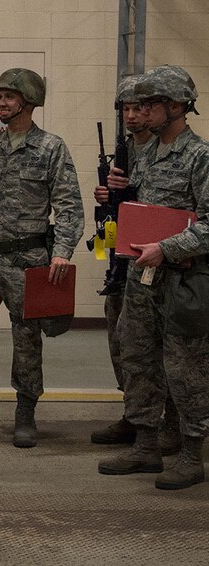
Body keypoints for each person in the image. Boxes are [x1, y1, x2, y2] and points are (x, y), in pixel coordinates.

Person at [0, 68, 84, 447]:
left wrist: (62, 252)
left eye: (9, 97)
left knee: (27, 339)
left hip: (29, 257)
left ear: (28, 102)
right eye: (0, 96)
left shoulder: (51, 148)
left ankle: (25, 410)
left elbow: (69, 205)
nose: (1, 103)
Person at [98, 65, 209, 491]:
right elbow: (143, 211)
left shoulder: (200, 157)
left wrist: (167, 247)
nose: (141, 112)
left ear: (176, 106)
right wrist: (116, 195)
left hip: (182, 279)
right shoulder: (146, 154)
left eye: (150, 104)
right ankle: (146, 443)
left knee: (186, 367)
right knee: (138, 355)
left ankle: (191, 453)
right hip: (142, 277)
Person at [89, 76, 179, 455]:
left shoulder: (173, 152)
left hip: (162, 264)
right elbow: (118, 213)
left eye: (139, 107)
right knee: (124, 342)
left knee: (163, 349)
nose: (132, 115)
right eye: (126, 109)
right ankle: (135, 414)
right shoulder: (125, 153)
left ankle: (171, 422)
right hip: (125, 261)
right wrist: (107, 197)